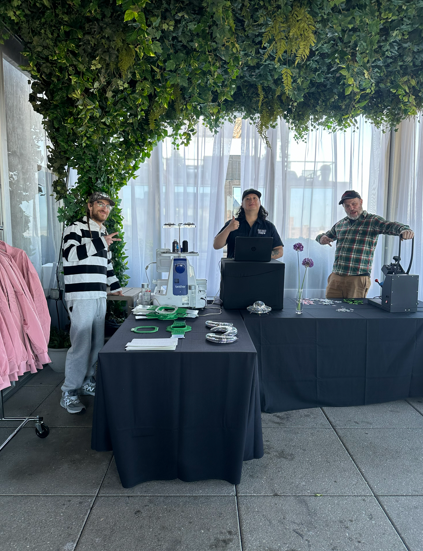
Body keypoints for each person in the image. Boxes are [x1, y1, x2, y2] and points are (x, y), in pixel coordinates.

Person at [60, 192, 123, 414]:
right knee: (81, 345)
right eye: (100, 204)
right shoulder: (74, 228)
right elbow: (69, 255)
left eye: (108, 205)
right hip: (80, 296)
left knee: (97, 344)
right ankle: (69, 392)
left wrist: (115, 287)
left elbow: (106, 265)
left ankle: (86, 382)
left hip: (98, 295)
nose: (104, 208)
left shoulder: (103, 232)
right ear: (89, 206)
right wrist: (100, 242)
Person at [316, 190, 414, 298]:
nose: (351, 208)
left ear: (361, 202)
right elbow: (325, 236)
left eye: (354, 204)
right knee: (329, 312)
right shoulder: (340, 224)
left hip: (357, 279)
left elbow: (390, 226)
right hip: (336, 278)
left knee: (354, 313)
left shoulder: (372, 221)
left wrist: (404, 230)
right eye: (347, 206)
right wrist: (321, 238)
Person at [213, 188, 284, 259]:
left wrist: (259, 255)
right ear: (242, 204)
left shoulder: (269, 226)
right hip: (235, 268)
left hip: (260, 269)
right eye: (247, 199)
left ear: (260, 203)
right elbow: (216, 245)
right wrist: (228, 229)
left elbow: (279, 251)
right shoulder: (232, 224)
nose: (251, 200)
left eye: (254, 198)